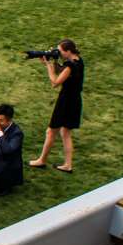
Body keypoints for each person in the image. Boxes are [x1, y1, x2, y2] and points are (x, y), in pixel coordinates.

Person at [32, 39, 84, 172]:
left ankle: (42, 160)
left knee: (51, 131)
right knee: (65, 132)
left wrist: (49, 66)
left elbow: (55, 82)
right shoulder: (78, 61)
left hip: (66, 102)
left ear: (68, 51)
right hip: (75, 100)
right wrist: (51, 62)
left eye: (60, 51)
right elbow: (63, 70)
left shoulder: (70, 66)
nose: (58, 53)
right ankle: (68, 165)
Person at [0, 103, 26, 194]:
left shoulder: (17, 134)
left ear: (9, 120)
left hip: (6, 168)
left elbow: (8, 151)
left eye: (0, 120)